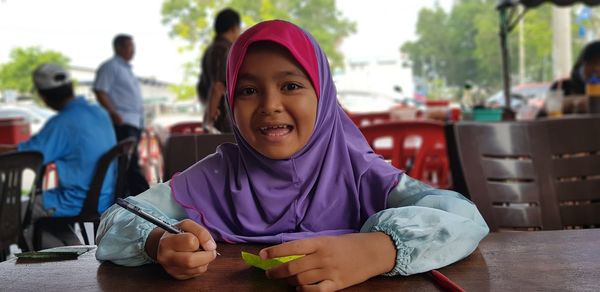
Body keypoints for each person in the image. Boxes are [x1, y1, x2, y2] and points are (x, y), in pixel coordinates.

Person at [96, 20, 488, 291]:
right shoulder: (215, 177)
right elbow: (117, 219)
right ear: (230, 103)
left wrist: (379, 250)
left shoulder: (361, 173)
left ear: (324, 96)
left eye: (290, 85)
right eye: (248, 91)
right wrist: (158, 242)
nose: (270, 105)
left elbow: (465, 217)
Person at [9, 63, 116, 248]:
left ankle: (58, 263)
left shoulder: (62, 123)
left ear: (44, 97)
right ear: (70, 87)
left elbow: (26, 155)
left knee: (12, 213)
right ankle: (74, 252)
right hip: (105, 197)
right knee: (42, 214)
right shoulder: (99, 113)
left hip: (75, 201)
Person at [93, 34, 149, 196]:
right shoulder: (110, 66)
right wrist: (112, 112)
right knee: (128, 164)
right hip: (122, 121)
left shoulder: (126, 69)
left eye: (133, 47)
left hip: (133, 121)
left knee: (129, 162)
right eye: (129, 47)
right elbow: (100, 90)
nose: (133, 51)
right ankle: (144, 198)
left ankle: (131, 198)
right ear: (119, 47)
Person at [197, 8, 241, 133]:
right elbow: (217, 86)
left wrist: (208, 112)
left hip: (217, 120)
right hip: (225, 123)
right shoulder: (225, 50)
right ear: (234, 27)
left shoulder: (209, 51)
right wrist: (209, 122)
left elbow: (202, 88)